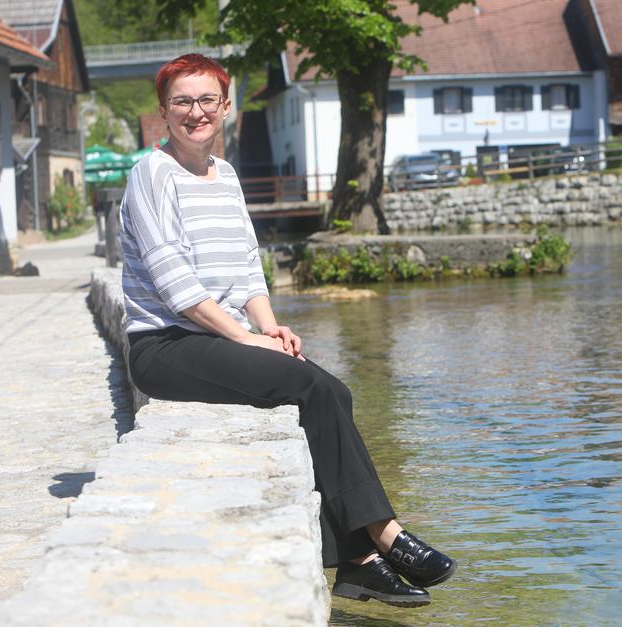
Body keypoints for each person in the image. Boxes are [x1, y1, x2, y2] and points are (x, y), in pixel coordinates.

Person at [119, 53, 455, 608]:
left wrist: (270, 327)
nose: (196, 111)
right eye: (182, 101)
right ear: (163, 111)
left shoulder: (225, 176)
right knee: (309, 386)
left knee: (335, 391)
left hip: (214, 336)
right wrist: (242, 337)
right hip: (165, 344)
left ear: (226, 107)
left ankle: (357, 565)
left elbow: (247, 266)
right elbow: (173, 280)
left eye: (207, 100)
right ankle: (384, 534)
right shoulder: (151, 174)